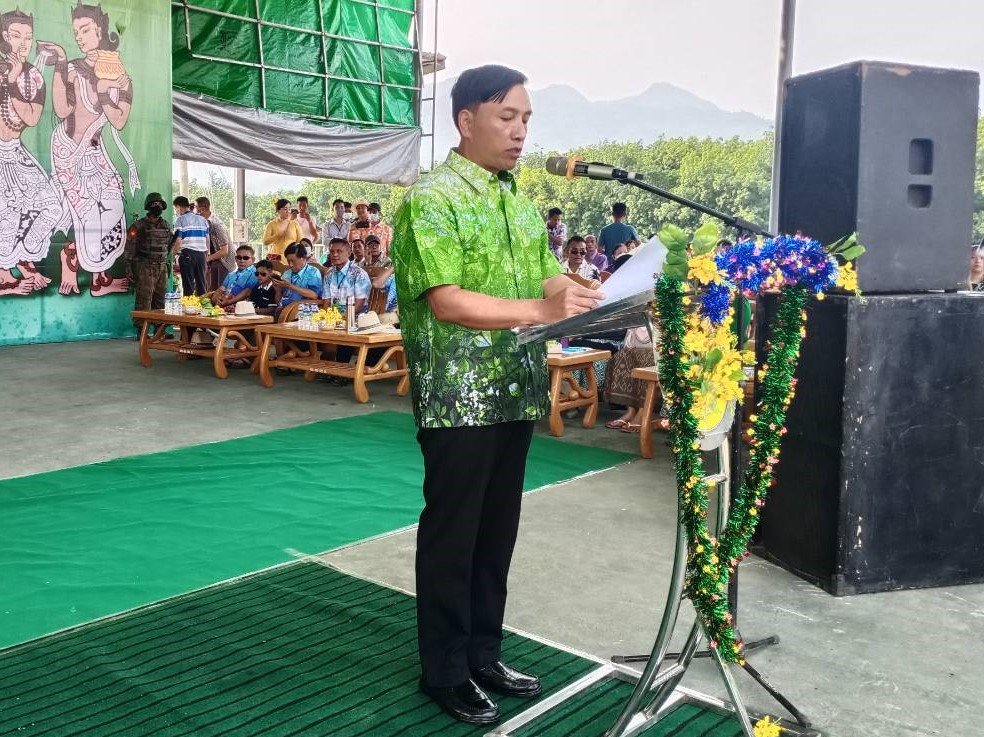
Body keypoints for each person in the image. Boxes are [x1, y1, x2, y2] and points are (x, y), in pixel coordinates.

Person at [392, 64, 601, 726]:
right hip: (459, 397)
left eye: (526, 119)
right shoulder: (432, 199)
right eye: (507, 117)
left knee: (495, 533)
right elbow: (447, 300)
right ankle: (445, 670)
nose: (520, 132)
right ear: (466, 120)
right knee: (454, 536)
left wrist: (582, 293)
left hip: (515, 390)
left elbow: (546, 277)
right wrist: (540, 311)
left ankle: (483, 654)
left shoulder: (517, 200)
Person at [40, 2, 137, 298]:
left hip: (96, 150)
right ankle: (77, 262)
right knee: (86, 213)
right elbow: (61, 110)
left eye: (85, 30)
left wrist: (105, 89)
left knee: (113, 207)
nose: (80, 37)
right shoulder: (72, 69)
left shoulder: (122, 77)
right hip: (69, 148)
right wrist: (60, 64)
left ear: (101, 31)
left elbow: (118, 121)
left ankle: (94, 271)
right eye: (76, 32)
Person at [0, 9, 63, 296]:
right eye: (16, 36)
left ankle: (23, 258)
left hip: (16, 151)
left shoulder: (33, 76)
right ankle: (4, 276)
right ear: (5, 37)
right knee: (8, 211)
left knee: (51, 207)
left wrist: (14, 80)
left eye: (28, 37)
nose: (23, 43)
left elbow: (32, 117)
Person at [124, 192, 170, 324]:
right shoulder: (139, 226)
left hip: (162, 267)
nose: (158, 206)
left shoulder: (166, 225)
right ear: (149, 206)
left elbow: (168, 246)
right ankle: (141, 329)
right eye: (155, 204)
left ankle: (159, 330)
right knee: (144, 300)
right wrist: (128, 269)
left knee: (160, 301)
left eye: (160, 204)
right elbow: (129, 248)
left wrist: (166, 263)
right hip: (145, 267)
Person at [604, 326, 659, 433]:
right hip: (640, 347)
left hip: (659, 352)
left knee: (649, 360)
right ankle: (630, 411)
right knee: (622, 356)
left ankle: (642, 413)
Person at [171, 196, 210, 297]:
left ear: (179, 207)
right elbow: (207, 241)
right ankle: (202, 305)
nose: (176, 211)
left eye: (175, 209)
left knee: (188, 286)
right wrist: (205, 256)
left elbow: (178, 241)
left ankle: (189, 306)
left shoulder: (180, 220)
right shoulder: (203, 220)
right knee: (201, 285)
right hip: (201, 255)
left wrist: (172, 257)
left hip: (187, 255)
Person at [320, 237, 370, 313]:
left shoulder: (359, 274)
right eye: (332, 251)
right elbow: (327, 301)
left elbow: (360, 304)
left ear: (349, 253)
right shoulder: (329, 274)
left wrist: (343, 318)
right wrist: (326, 317)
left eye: (339, 251)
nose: (335, 254)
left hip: (356, 316)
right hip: (334, 316)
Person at [196, 197, 234, 291]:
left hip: (224, 262)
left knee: (220, 291)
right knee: (212, 290)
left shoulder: (216, 224)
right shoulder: (205, 223)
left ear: (202, 209)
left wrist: (207, 259)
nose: (195, 213)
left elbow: (224, 251)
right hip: (215, 261)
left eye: (196, 209)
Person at [273, 242, 321, 309]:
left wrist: (290, 286)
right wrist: (278, 290)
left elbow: (314, 295)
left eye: (293, 261)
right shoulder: (287, 273)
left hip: (303, 311)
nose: (290, 265)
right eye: (288, 261)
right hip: (285, 310)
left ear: (303, 258)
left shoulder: (313, 272)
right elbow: (279, 303)